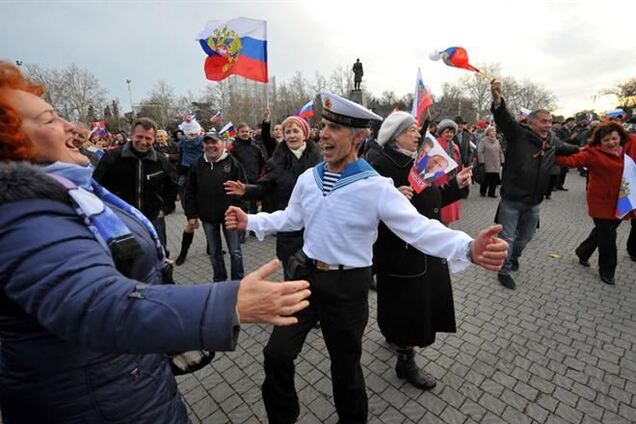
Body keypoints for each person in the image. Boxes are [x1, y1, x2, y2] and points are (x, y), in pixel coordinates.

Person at [0, 62, 311, 422]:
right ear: (9, 140)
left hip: (120, 383)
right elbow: (96, 306)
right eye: (50, 118)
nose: (73, 127)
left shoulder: (60, 193)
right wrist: (227, 302)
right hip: (93, 403)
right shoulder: (24, 212)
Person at [225, 92, 509, 424]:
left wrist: (468, 248)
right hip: (304, 279)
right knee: (276, 354)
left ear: (358, 137)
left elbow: (418, 228)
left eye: (334, 128)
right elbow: (292, 218)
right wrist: (252, 221)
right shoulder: (309, 178)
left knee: (344, 369)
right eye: (323, 126)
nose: (323, 135)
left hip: (348, 288)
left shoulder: (375, 186)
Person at [371, 111, 473, 390]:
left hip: (425, 245)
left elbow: (430, 199)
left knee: (410, 303)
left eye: (417, 129)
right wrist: (388, 199)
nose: (419, 134)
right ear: (395, 135)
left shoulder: (416, 160)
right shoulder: (379, 163)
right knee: (407, 306)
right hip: (400, 250)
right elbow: (364, 206)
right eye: (411, 130)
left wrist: (454, 187)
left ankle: (396, 339)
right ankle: (406, 362)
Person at [490, 79, 579, 289]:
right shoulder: (517, 135)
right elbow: (503, 118)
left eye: (550, 121)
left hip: (534, 203)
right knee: (508, 239)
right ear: (531, 123)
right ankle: (503, 270)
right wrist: (497, 99)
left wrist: (593, 147)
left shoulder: (552, 143)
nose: (548, 125)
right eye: (543, 121)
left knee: (525, 238)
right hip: (512, 201)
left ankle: (513, 258)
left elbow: (570, 149)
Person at [225, 115, 322, 278]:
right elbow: (266, 186)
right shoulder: (276, 160)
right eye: (288, 132)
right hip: (289, 227)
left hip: (317, 225)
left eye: (296, 131)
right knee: (292, 276)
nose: (292, 135)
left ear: (304, 133)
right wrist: (247, 190)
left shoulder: (320, 159)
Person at [555, 122, 636, 284]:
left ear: (621, 138)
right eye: (606, 140)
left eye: (614, 138)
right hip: (600, 203)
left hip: (621, 202)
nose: (611, 142)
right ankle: (607, 270)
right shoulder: (592, 153)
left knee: (602, 232)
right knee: (609, 237)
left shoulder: (625, 154)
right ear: (600, 141)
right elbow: (570, 161)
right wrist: (549, 154)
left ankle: (583, 252)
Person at [94, 117, 178, 256]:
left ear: (154, 139)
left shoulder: (160, 160)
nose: (143, 142)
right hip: (122, 220)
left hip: (153, 218)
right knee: (127, 259)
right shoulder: (113, 157)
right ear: (132, 134)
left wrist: (165, 208)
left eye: (148, 138)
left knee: (160, 254)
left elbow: (173, 184)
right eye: (139, 136)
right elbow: (97, 185)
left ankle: (165, 278)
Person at [183, 131, 247, 282]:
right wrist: (191, 215)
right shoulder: (196, 164)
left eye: (214, 142)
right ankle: (219, 280)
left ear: (223, 144)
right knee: (214, 252)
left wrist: (241, 212)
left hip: (230, 216)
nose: (210, 146)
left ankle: (238, 281)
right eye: (207, 143)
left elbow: (244, 190)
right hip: (207, 217)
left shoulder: (233, 163)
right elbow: (189, 191)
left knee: (235, 251)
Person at [435, 119, 463, 225]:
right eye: (447, 132)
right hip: (439, 182)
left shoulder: (454, 147)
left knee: (447, 218)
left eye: (451, 132)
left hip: (451, 182)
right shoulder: (435, 146)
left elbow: (458, 164)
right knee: (439, 215)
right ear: (441, 133)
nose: (449, 134)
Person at [478, 126, 504, 198]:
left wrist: (502, 160)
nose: (494, 133)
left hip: (496, 163)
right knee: (486, 179)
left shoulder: (497, 141)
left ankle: (491, 193)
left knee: (494, 179)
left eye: (494, 131)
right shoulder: (483, 141)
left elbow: (500, 151)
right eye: (492, 131)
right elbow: (480, 152)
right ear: (488, 132)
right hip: (487, 163)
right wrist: (482, 161)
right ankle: (483, 191)